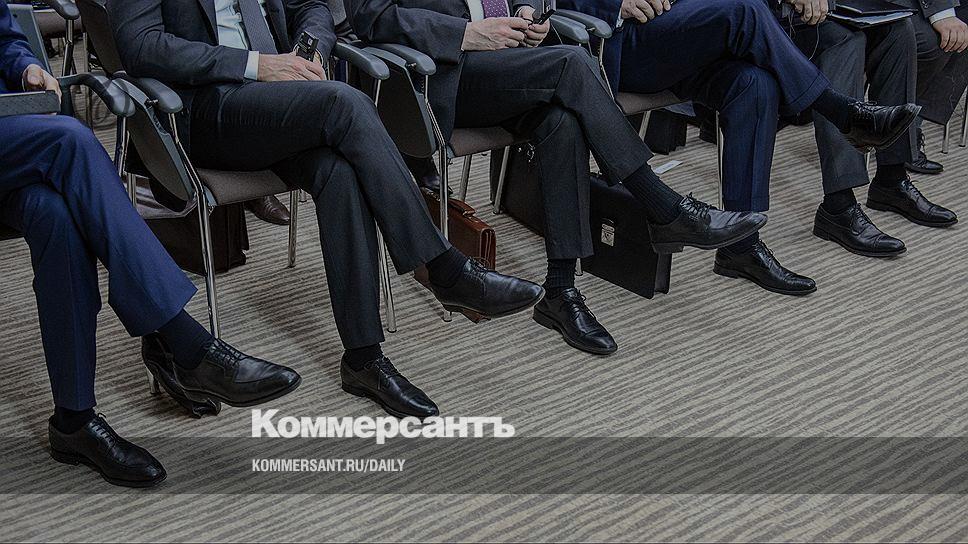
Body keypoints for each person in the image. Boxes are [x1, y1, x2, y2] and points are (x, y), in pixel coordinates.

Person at [343, 0, 920, 353]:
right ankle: (662, 205)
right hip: (444, 74)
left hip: (518, 61)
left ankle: (561, 291)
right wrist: (466, 34)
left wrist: (530, 17)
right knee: (573, 66)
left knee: (563, 119)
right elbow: (368, 15)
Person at [109, 0, 547, 418]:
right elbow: (142, 45)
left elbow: (312, 7)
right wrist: (258, 66)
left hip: (280, 97)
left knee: (338, 170)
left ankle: (363, 359)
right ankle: (444, 268)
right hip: (203, 108)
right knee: (345, 103)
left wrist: (310, 51)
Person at [0, 0, 301, 487]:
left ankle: (73, 420)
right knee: (71, 140)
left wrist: (26, 66)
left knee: (56, 215)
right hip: (19, 136)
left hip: (13, 137)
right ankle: (185, 342)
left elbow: (6, 37)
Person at [559, 0, 929, 291]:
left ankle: (741, 248)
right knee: (745, 9)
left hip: (681, 26)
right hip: (620, 38)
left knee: (754, 85)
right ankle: (845, 114)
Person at [782, 0, 957, 257]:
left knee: (898, 30)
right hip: (778, 19)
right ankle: (838, 205)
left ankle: (891, 180)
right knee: (846, 41)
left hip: (837, 7)